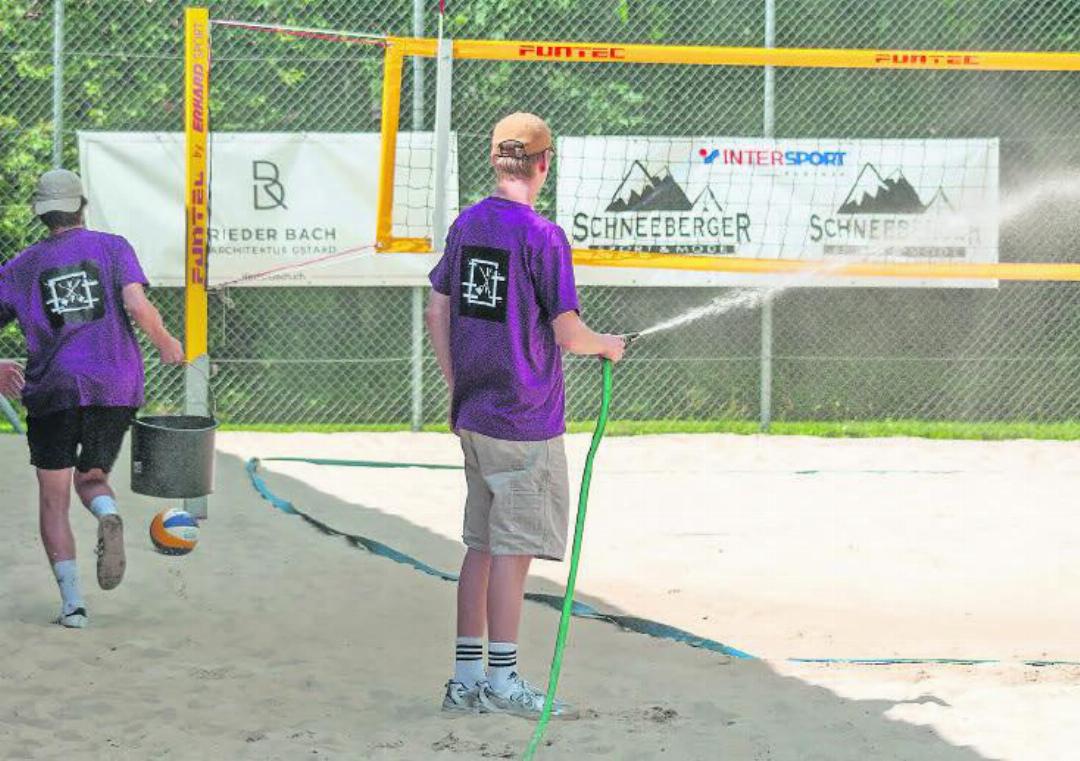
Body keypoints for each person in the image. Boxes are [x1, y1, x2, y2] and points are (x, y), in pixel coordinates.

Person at [426, 113, 625, 718]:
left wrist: (457, 383)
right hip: (524, 421)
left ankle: (465, 681)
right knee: (512, 553)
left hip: (475, 412)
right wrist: (607, 345)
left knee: (481, 547)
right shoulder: (543, 235)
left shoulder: (468, 223)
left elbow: (437, 309)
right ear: (544, 164)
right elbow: (568, 333)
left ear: (495, 160)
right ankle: (503, 680)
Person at [0, 169, 184, 629]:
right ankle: (108, 512)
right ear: (82, 204)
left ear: (41, 214)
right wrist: (166, 343)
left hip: (54, 389)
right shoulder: (113, 247)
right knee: (92, 478)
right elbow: (136, 305)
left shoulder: (20, 267)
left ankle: (73, 606)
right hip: (114, 384)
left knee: (54, 498)